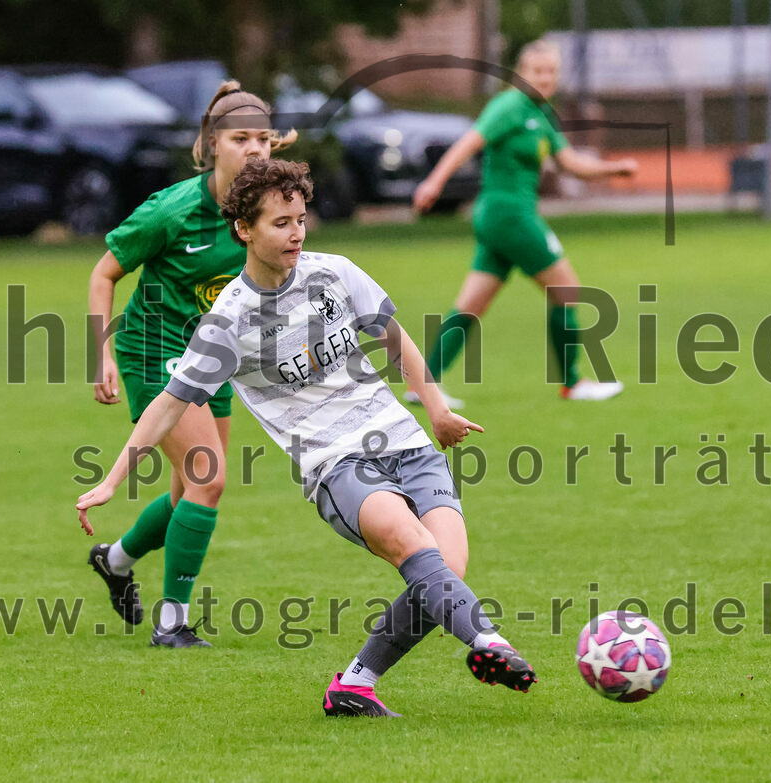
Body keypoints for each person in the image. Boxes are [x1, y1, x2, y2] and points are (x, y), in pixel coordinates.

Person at [76, 157, 536, 716]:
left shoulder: (335, 271)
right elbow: (167, 407)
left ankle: (355, 684)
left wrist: (436, 409)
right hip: (337, 466)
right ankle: (490, 641)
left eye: (300, 218)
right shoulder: (228, 321)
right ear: (244, 230)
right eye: (280, 222)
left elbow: (393, 336)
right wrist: (112, 479)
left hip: (409, 445)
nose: (296, 232)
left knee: (444, 574)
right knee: (415, 550)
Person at [85, 81, 296, 647]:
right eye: (240, 139)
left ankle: (117, 560)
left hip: (212, 358)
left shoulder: (268, 207)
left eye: (264, 139)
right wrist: (100, 351)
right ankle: (172, 622)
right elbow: (104, 273)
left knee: (186, 494)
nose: (255, 149)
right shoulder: (172, 210)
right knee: (210, 480)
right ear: (211, 144)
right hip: (152, 351)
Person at [411, 39, 638, 405]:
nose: (545, 78)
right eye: (538, 71)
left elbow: (571, 163)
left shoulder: (542, 113)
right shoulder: (509, 106)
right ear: (521, 74)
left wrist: (614, 168)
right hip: (509, 215)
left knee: (471, 302)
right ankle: (573, 382)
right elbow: (468, 143)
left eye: (551, 71)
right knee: (566, 290)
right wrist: (434, 182)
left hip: (498, 219)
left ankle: (423, 385)